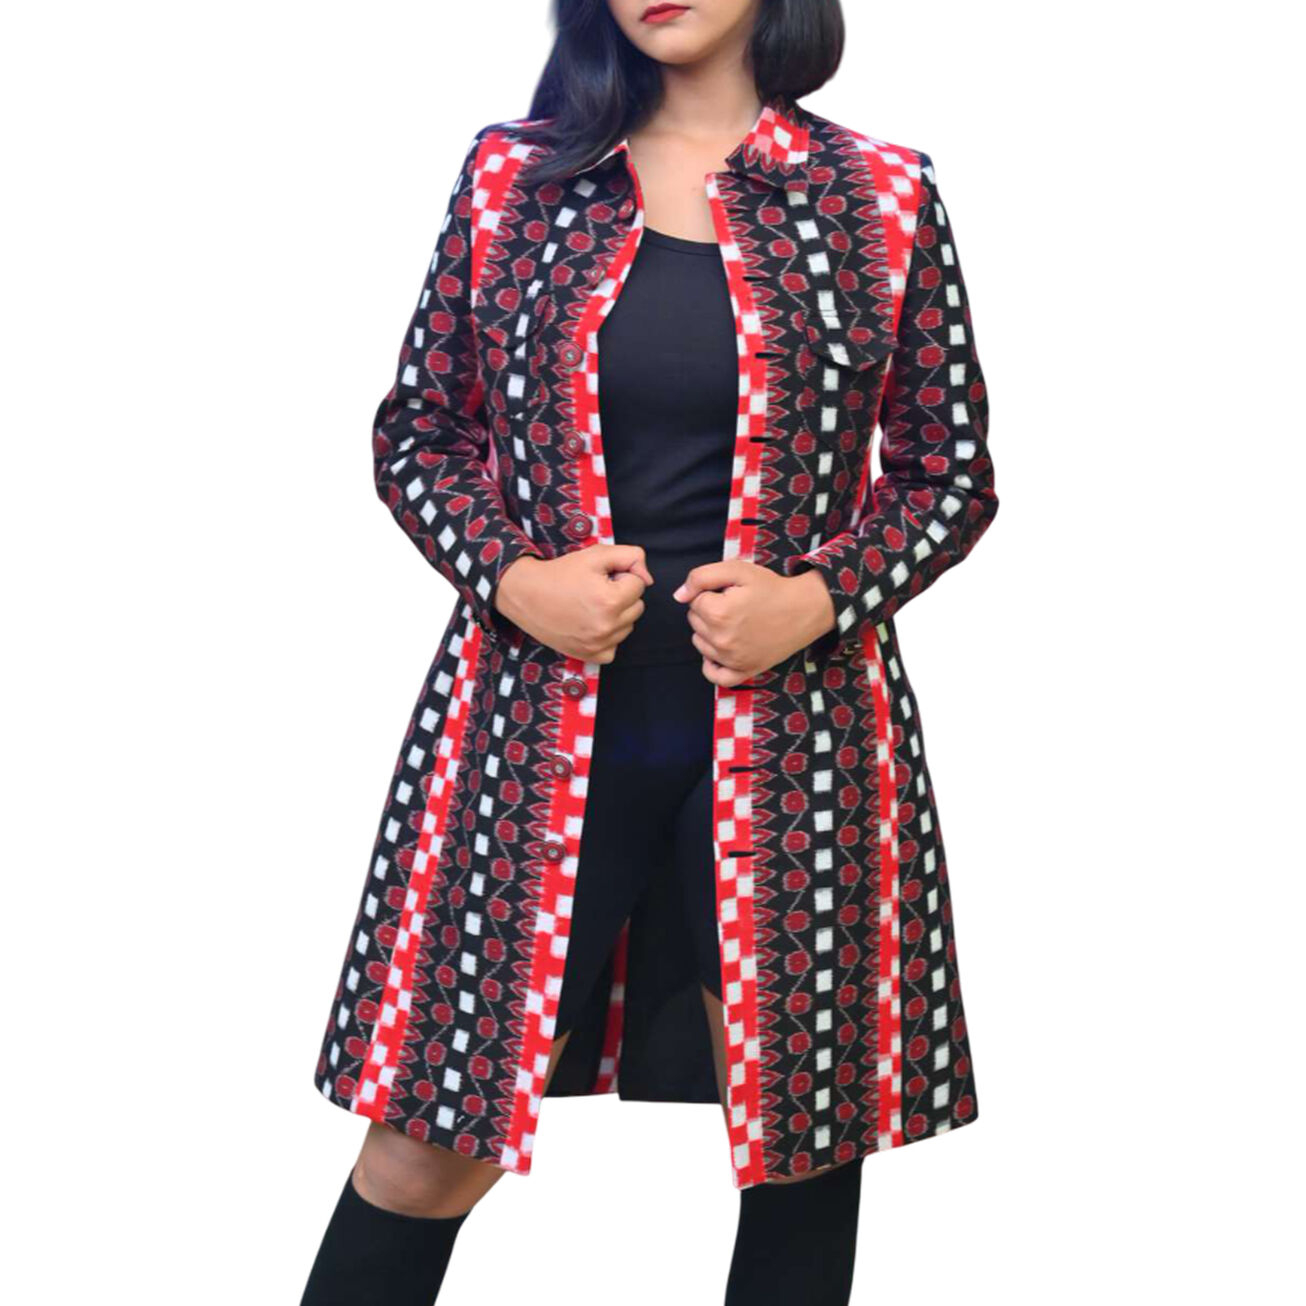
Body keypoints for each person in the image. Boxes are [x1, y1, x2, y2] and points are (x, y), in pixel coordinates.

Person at [300, 1, 998, 1302]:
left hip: (800, 751)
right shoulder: (514, 178)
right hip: (528, 737)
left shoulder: (881, 196)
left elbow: (947, 476)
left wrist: (819, 597)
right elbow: (418, 435)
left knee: (798, 1152)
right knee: (422, 1149)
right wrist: (516, 579)